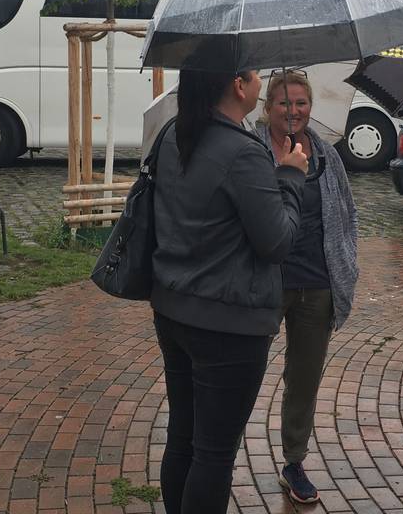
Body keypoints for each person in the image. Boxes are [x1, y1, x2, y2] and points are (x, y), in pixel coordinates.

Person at [150, 66, 308, 514]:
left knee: (183, 436)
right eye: (256, 75)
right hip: (228, 322)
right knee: (214, 453)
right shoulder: (243, 152)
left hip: (174, 308)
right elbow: (276, 240)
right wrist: (291, 177)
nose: (260, 84)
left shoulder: (172, 135)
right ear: (238, 84)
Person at [253, 70, 359, 505]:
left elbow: (346, 212)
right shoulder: (253, 149)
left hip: (316, 281)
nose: (293, 111)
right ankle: (217, 453)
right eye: (284, 103)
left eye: (301, 103)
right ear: (268, 107)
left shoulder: (325, 154)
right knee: (243, 370)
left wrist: (345, 263)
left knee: (304, 377)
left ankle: (293, 461)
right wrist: (283, 172)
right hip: (266, 281)